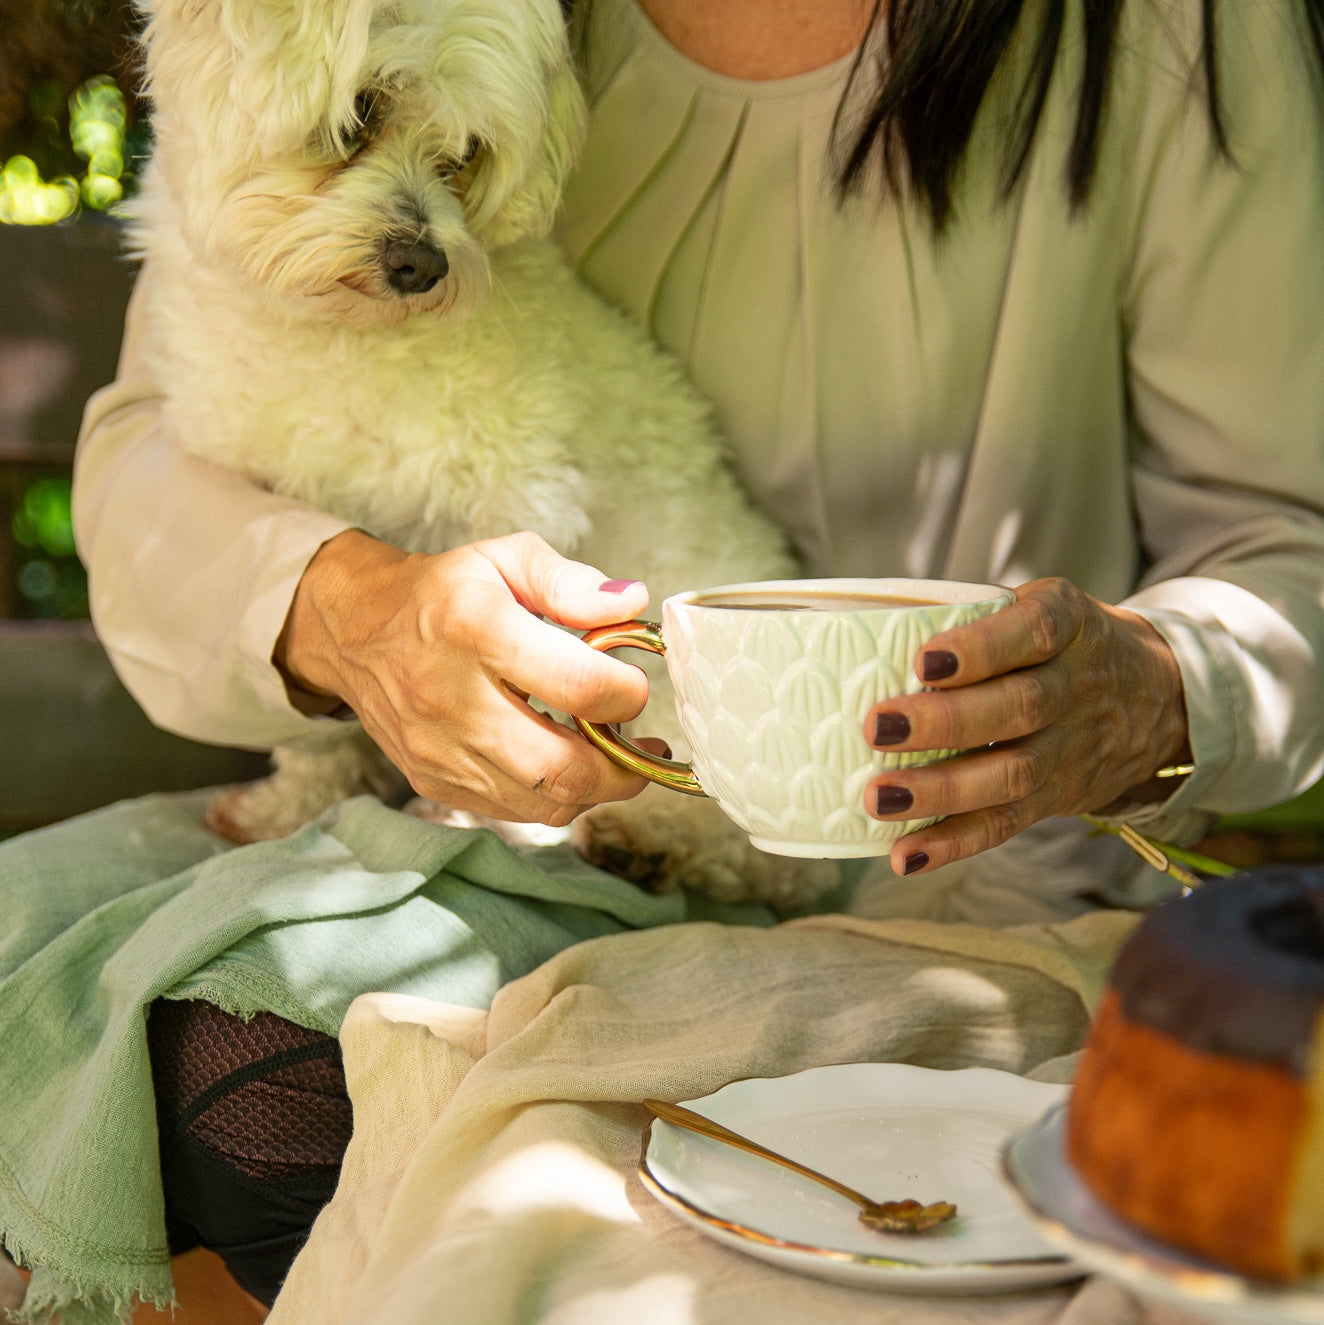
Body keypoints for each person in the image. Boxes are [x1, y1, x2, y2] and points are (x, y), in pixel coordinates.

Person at [42, 0, 1324, 1308]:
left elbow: (1294, 540)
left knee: (245, 1060)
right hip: (524, 824)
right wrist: (344, 607)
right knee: (84, 986)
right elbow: (159, 435)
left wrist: (1157, 690)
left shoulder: (1177, 35)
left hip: (959, 904)